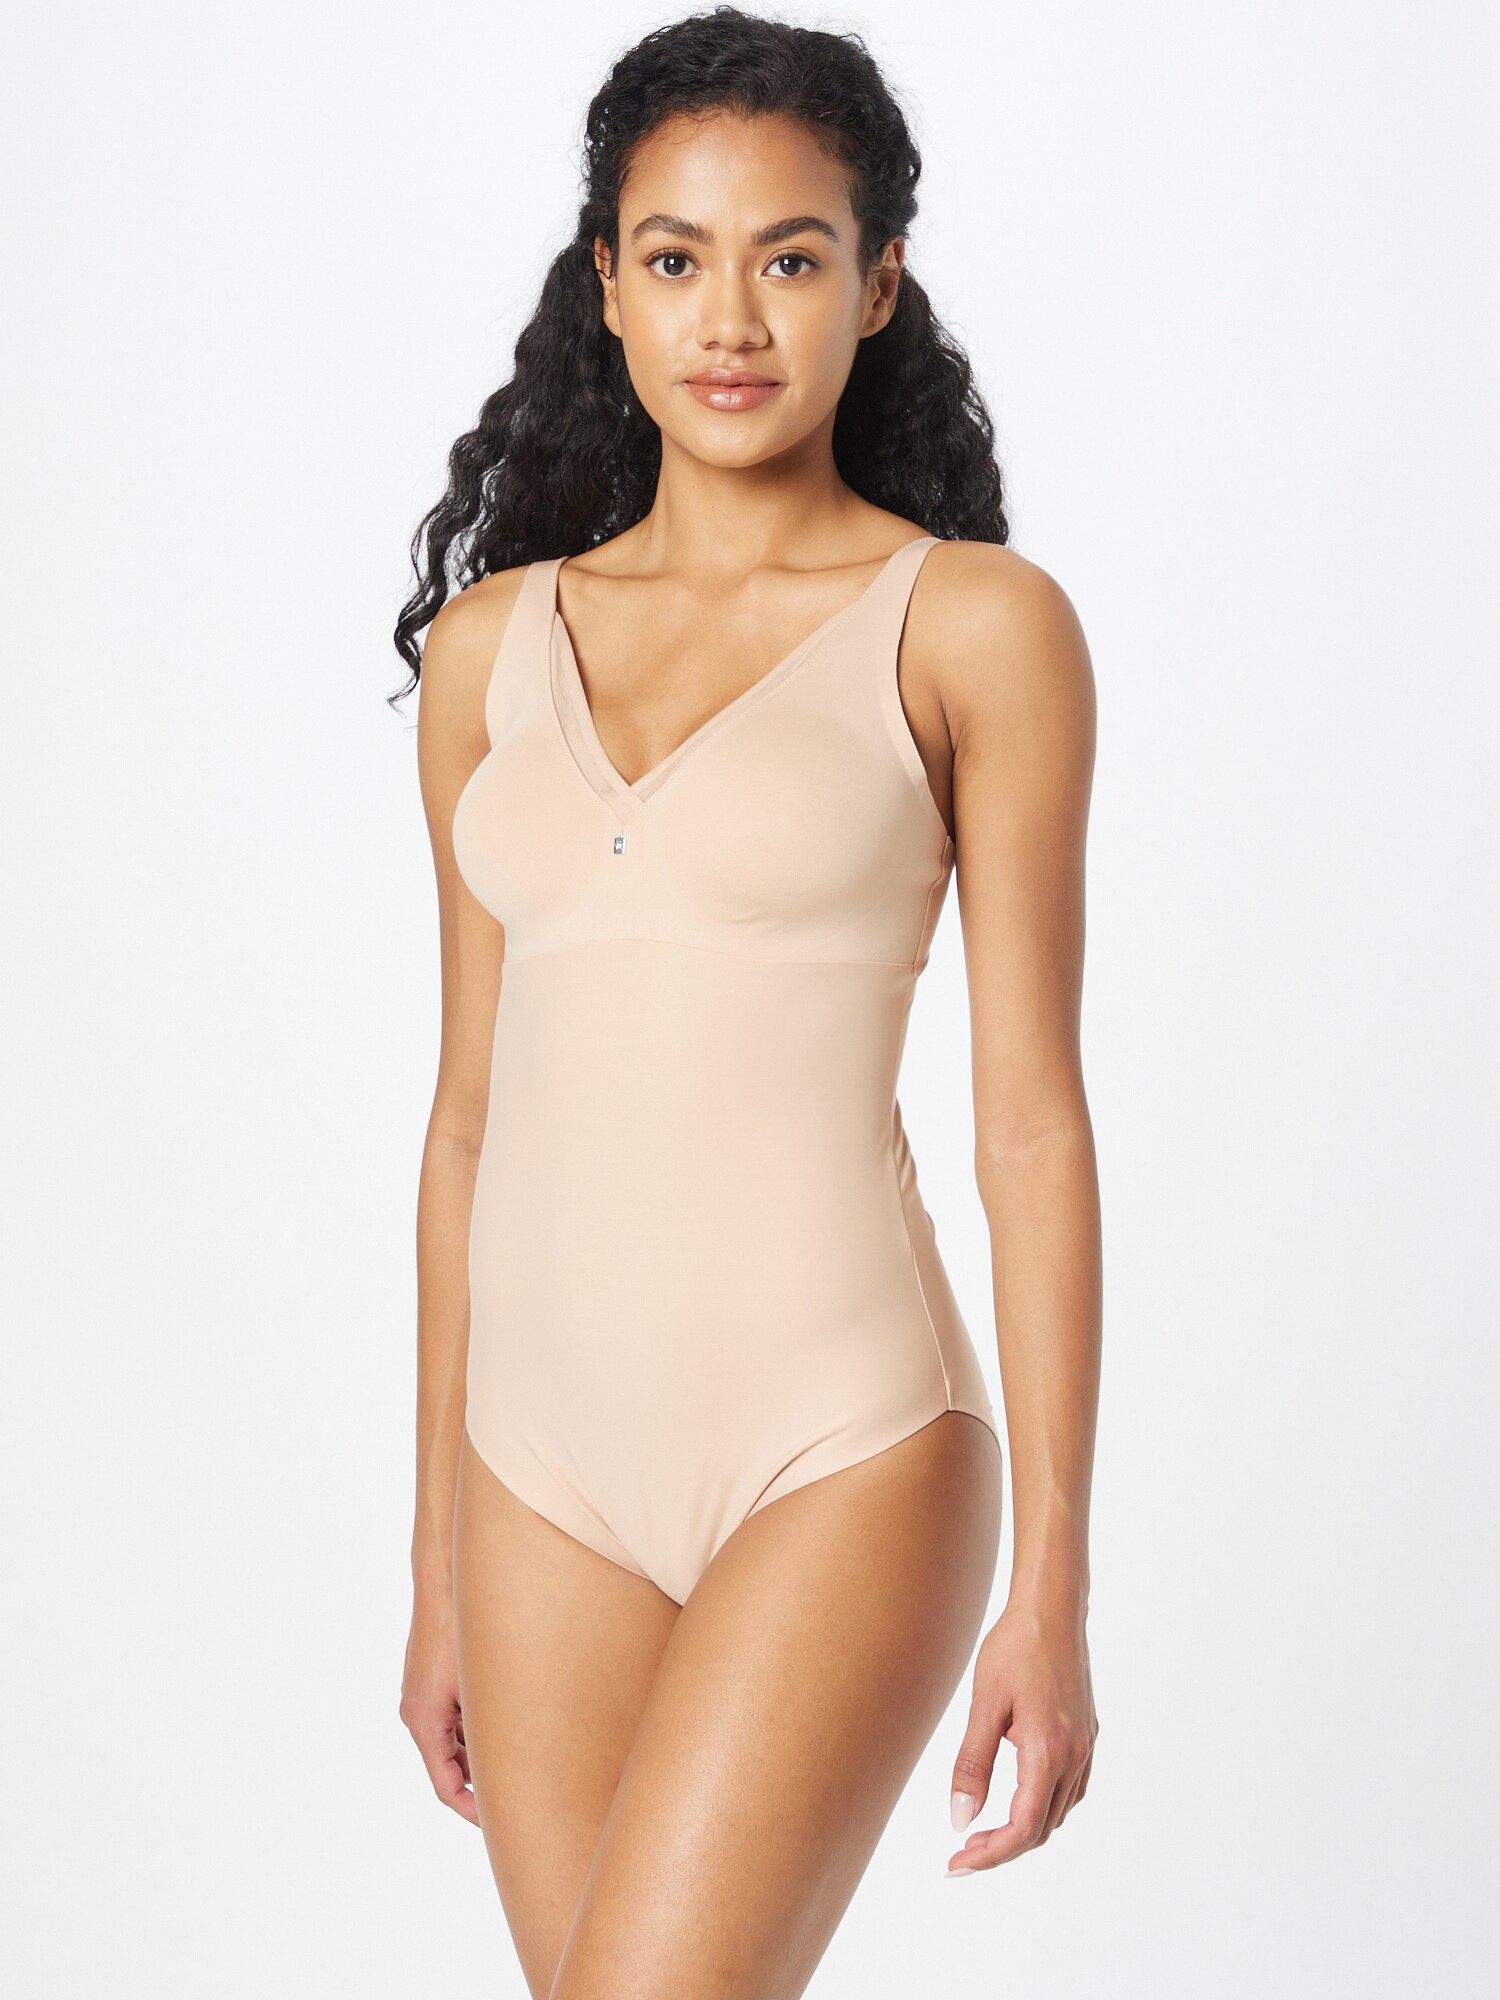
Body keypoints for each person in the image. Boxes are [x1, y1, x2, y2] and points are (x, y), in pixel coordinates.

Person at [394, 9, 1101, 1994]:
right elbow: (466, 1120)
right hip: (537, 1472)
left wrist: (1053, 1578)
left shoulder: (972, 625)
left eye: (791, 256)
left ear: (877, 285)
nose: (730, 316)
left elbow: (1032, 1122)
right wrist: (436, 1553)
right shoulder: (489, 654)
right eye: (677, 256)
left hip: (842, 1436)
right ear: (607, 283)